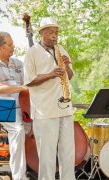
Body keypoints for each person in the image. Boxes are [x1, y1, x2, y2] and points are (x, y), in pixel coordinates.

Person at [23, 17, 75, 180]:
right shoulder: (32, 53)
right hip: (44, 111)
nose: (54, 36)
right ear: (41, 33)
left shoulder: (62, 50)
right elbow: (29, 81)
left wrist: (66, 66)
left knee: (68, 153)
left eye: (56, 32)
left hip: (65, 108)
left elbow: (70, 77)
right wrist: (51, 74)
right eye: (51, 32)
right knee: (47, 156)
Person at [0, 31, 28, 180]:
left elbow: (29, 82)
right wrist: (21, 88)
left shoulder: (18, 63)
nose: (13, 46)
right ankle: (19, 177)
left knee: (43, 125)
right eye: (10, 44)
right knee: (18, 130)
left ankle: (40, 171)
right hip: (0, 106)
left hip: (22, 105)